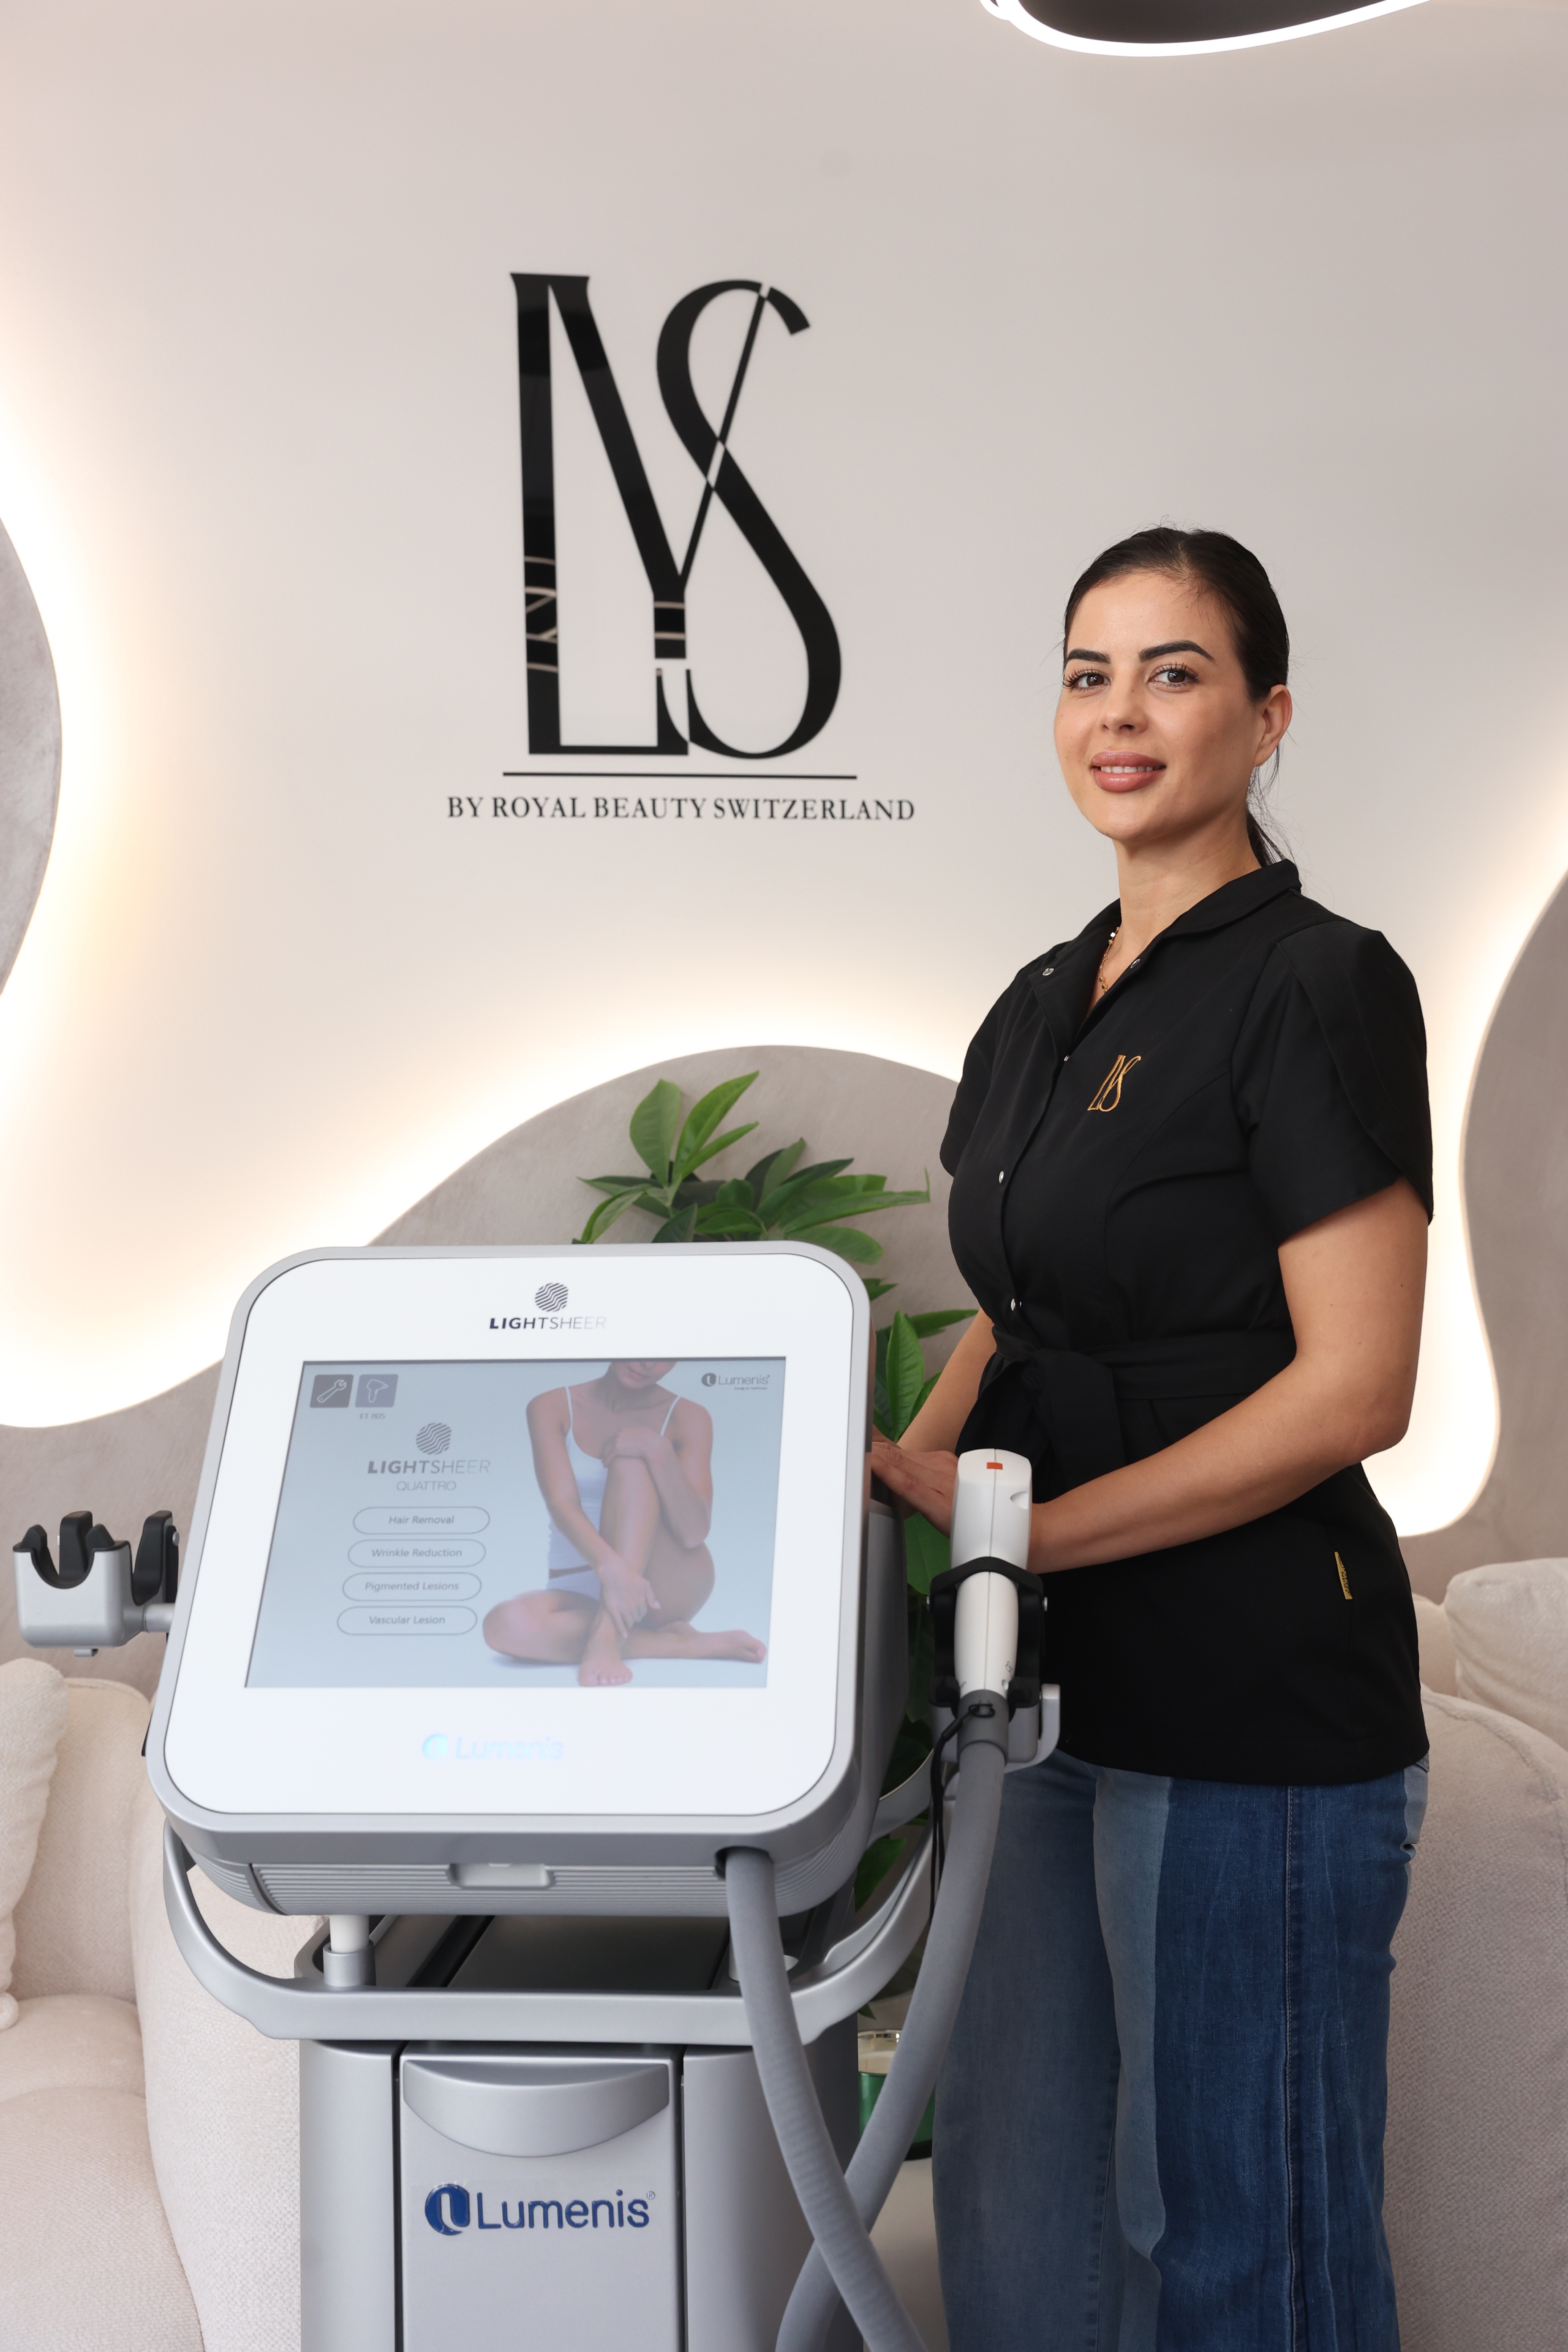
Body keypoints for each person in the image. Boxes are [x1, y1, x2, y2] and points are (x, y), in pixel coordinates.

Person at [873, 528, 1431, 2351]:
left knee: (1227, 2238)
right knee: (1017, 2214)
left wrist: (1027, 1533)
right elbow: (1021, 1297)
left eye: (1172, 673)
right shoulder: (1042, 996)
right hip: (1036, 1692)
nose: (1118, 714)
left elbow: (1354, 1388)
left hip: (1245, 1693)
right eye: (1085, 674)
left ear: (1264, 718)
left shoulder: (1316, 982)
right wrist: (897, 1475)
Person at [482, 1357, 767, 1686]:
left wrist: (657, 1450)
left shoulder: (689, 1417)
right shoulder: (551, 1406)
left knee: (632, 1462)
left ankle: (607, 1635)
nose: (648, 1362)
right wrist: (612, 1570)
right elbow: (561, 1504)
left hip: (664, 1583)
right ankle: (680, 1643)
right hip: (582, 1580)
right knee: (504, 1626)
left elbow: (694, 1533)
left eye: (665, 1354)